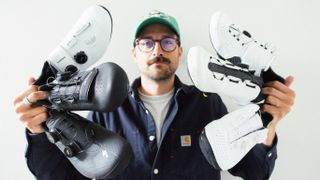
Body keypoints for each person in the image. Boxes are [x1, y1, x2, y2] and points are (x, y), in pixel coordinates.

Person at [13, 10, 295, 180]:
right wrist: (39, 132)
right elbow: (65, 177)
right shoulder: (104, 107)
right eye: (147, 43)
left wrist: (268, 123)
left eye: (167, 42)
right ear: (135, 52)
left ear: (180, 52)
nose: (157, 49)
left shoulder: (209, 104)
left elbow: (254, 172)